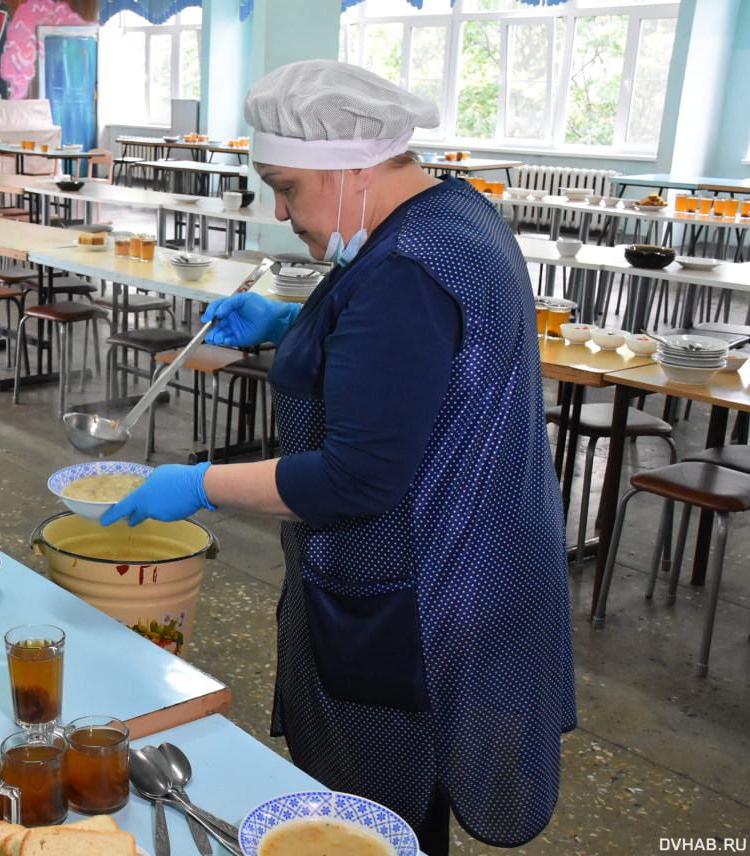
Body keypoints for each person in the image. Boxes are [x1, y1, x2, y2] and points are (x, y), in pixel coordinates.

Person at [100, 61, 576, 855]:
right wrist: (290, 328)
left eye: (286, 188)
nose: (281, 212)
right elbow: (415, 366)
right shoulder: (452, 215)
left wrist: (198, 482)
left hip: (419, 596)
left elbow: (357, 477)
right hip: (474, 569)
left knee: (383, 813)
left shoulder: (404, 270)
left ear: (349, 166)